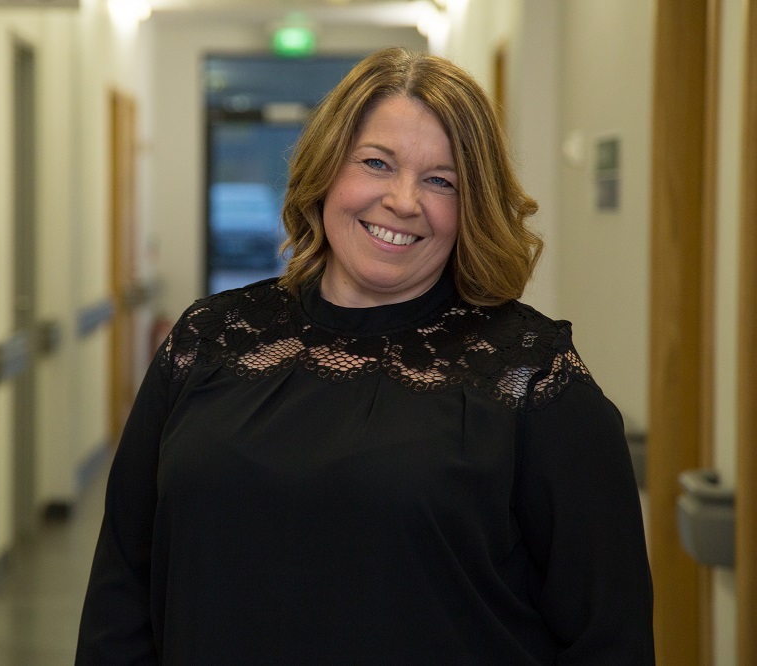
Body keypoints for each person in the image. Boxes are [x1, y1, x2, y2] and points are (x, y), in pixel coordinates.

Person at [75, 47, 654, 664]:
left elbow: (608, 636)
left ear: (471, 207)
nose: (404, 201)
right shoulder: (208, 340)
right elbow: (122, 590)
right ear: (326, 171)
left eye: (441, 181)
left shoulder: (531, 376)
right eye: (377, 163)